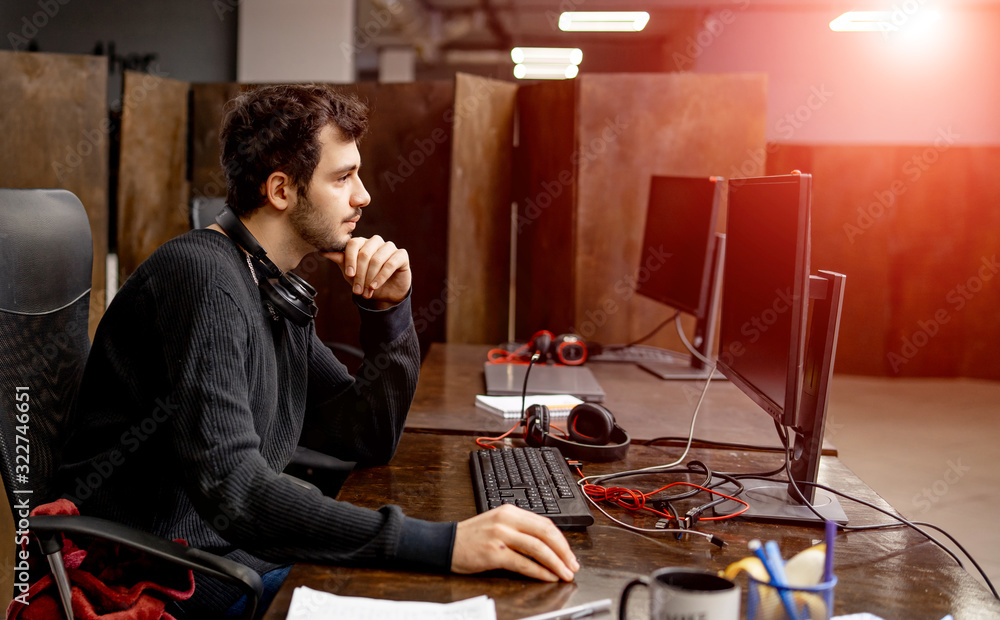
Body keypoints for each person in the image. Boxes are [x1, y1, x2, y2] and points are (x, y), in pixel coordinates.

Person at [57, 84, 578, 617]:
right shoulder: (204, 280)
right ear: (282, 190)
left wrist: (388, 311)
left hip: (232, 556)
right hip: (170, 576)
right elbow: (233, 489)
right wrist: (444, 544)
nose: (364, 196)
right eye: (343, 177)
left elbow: (366, 436)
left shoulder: (266, 286)